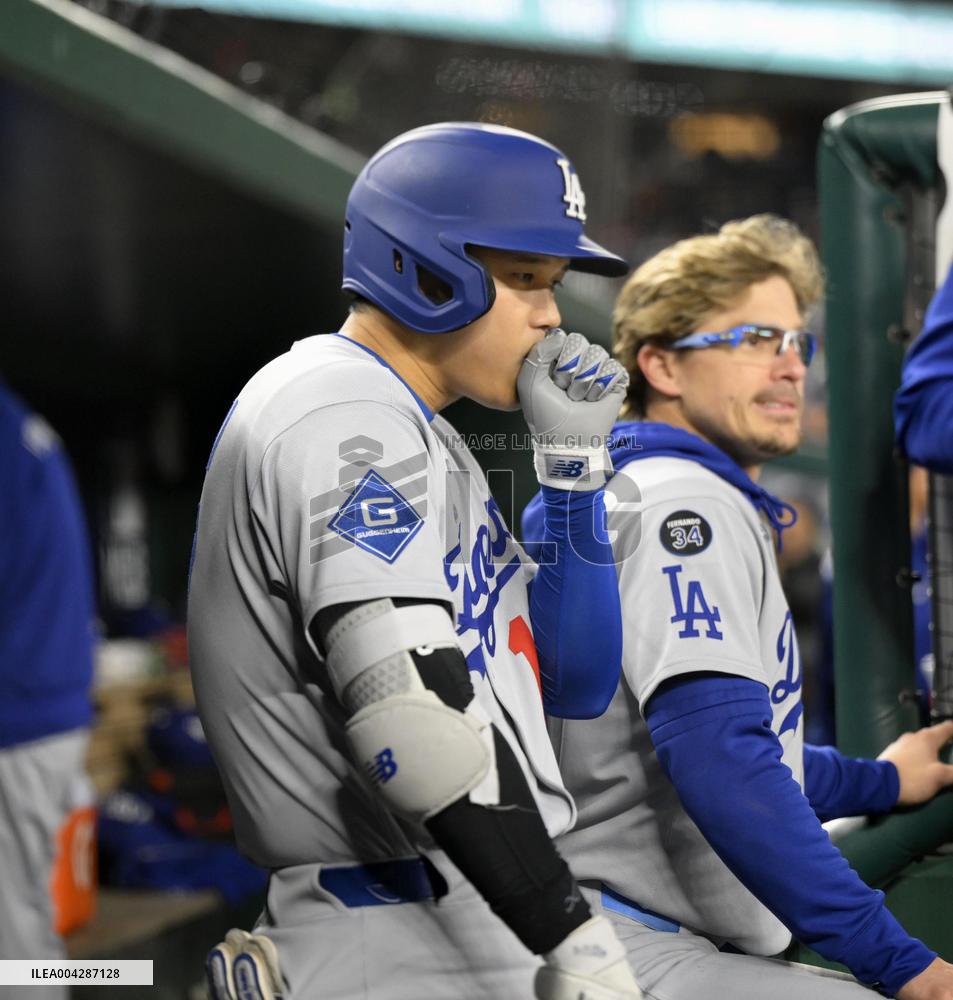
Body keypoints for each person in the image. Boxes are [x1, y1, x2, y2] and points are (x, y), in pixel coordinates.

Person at [188, 122, 644, 1000]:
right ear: (427, 269)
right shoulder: (337, 415)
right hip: (397, 931)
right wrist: (571, 933)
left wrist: (573, 476)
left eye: (550, 285)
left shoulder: (416, 429)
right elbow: (412, 722)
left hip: (471, 908)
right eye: (523, 281)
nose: (551, 316)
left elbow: (573, 683)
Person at [523, 215, 953, 999]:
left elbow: (684, 750)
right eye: (756, 339)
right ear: (662, 365)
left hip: (604, 931)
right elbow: (721, 756)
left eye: (796, 344)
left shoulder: (630, 491)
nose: (791, 368)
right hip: (626, 942)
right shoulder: (682, 506)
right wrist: (905, 967)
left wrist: (876, 783)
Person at [0, 384, 98, 1000]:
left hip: (19, 714)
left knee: (12, 944)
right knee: (23, 926)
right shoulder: (14, 421)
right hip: (41, 707)